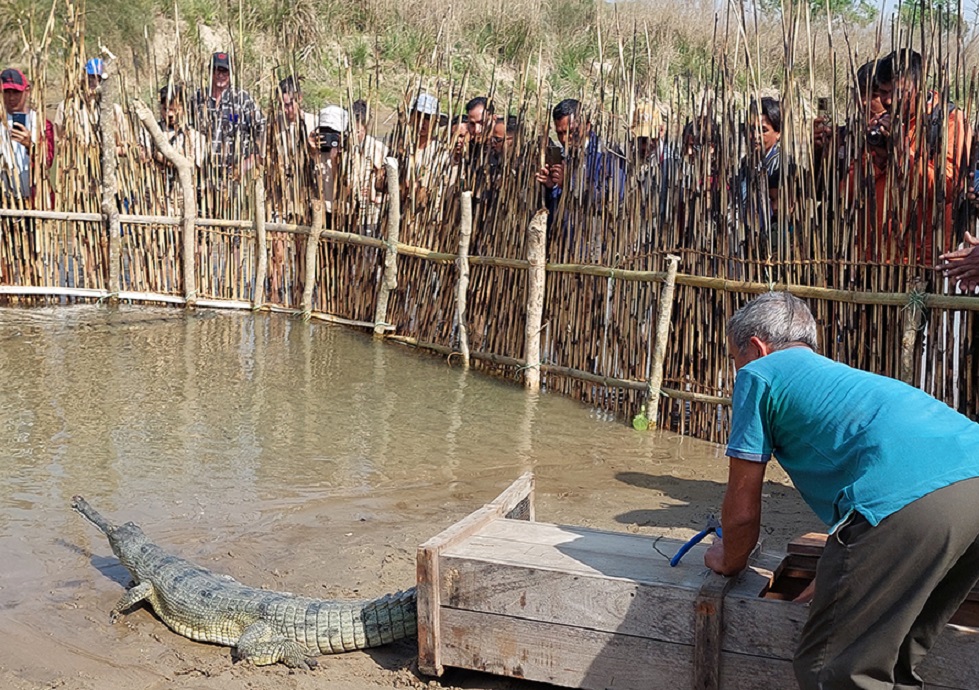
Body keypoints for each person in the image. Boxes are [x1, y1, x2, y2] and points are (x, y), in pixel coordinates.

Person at [705, 291, 979, 690]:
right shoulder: (841, 380)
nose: (736, 368)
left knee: (832, 672)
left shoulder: (760, 373)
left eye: (734, 357)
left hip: (911, 504)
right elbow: (875, 465)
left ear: (756, 347)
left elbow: (743, 510)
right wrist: (845, 571)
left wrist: (728, 558)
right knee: (895, 660)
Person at [194, 51, 265, 174]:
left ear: (231, 73)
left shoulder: (242, 99)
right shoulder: (198, 98)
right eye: (217, 70)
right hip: (203, 174)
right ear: (210, 71)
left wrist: (251, 161)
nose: (220, 75)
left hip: (235, 174)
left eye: (225, 71)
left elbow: (263, 130)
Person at [1, 68, 54, 202]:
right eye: (7, 92)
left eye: (16, 92)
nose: (11, 98)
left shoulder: (41, 124)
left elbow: (47, 162)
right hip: (4, 201)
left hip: (34, 201)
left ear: (27, 91)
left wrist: (31, 146)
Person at [349, 99, 388, 234]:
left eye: (357, 131)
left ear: (365, 127)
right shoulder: (343, 148)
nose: (354, 135)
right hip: (348, 212)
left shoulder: (378, 149)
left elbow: (389, 185)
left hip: (371, 214)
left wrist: (375, 195)